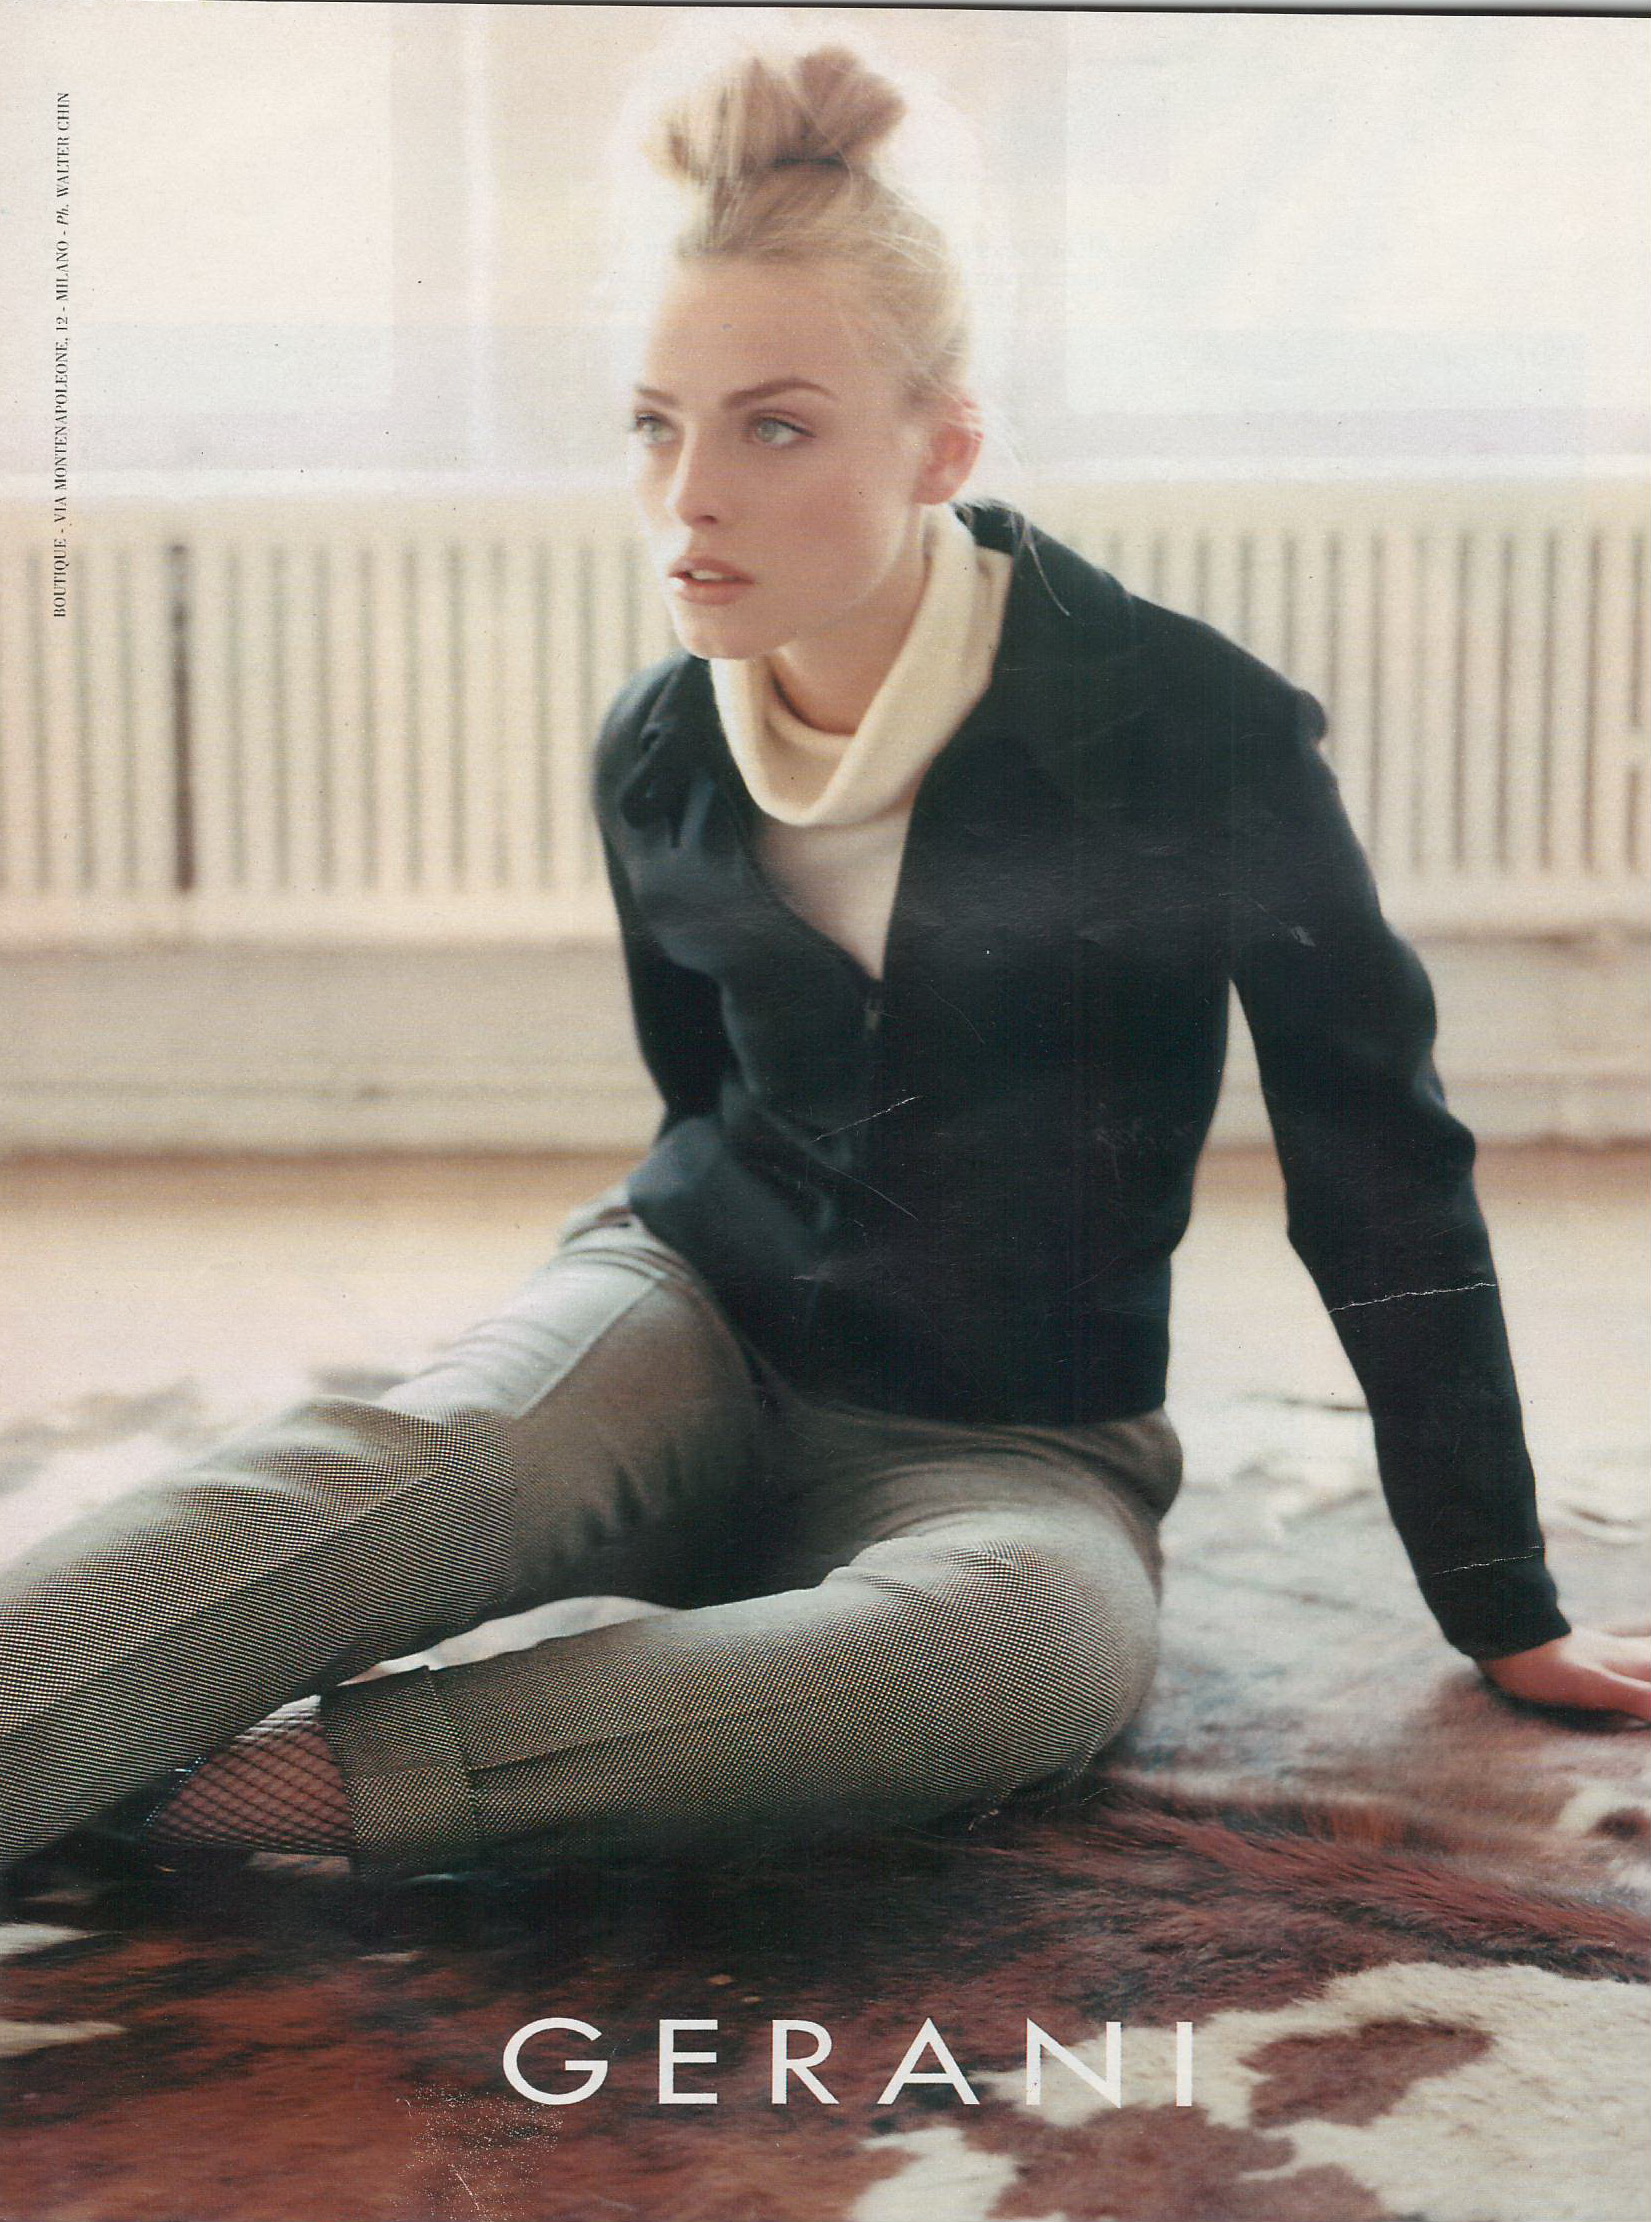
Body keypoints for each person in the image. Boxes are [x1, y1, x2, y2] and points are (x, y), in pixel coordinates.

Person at [4, 36, 1647, 1892]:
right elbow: (697, 1104)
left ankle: (242, 1795)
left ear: (943, 446)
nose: (689, 494)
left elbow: (1380, 1159)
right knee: (418, 1459)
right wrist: (594, 1389)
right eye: (656, 424)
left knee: (1030, 1650)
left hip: (1011, 1427)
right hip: (686, 1315)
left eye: (773, 427)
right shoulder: (656, 742)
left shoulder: (1191, 728)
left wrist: (1502, 1598)